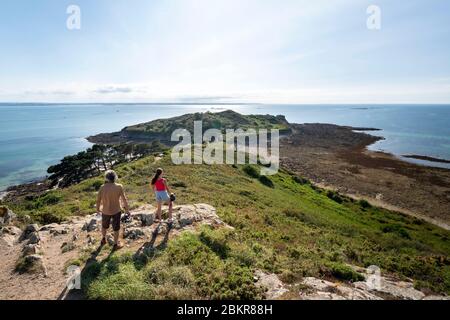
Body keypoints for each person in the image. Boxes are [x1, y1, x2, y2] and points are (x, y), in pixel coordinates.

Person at [96, 170, 130, 250]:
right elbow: (124, 199)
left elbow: (98, 200)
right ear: (115, 177)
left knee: (104, 226)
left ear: (106, 178)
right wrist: (127, 209)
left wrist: (97, 209)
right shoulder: (119, 186)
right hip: (116, 211)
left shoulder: (102, 187)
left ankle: (103, 239)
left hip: (105, 211)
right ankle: (115, 244)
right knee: (116, 228)